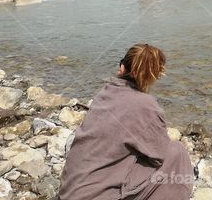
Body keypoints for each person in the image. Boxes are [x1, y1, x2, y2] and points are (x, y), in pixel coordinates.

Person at [57, 44, 193, 200]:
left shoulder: (105, 92)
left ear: (122, 68)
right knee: (176, 153)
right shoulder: (147, 105)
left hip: (69, 192)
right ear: (156, 75)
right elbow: (158, 155)